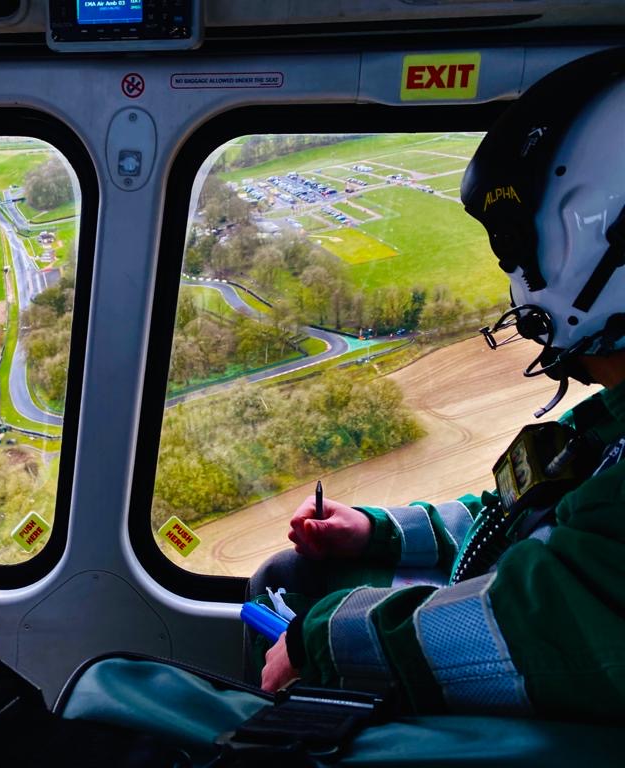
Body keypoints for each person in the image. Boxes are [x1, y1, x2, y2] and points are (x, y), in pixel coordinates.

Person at [251, 48, 625, 720]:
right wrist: (379, 533)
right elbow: (514, 518)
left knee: (294, 595)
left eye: (515, 246)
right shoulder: (607, 424)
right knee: (294, 575)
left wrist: (320, 642)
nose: (515, 279)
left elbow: (540, 626)